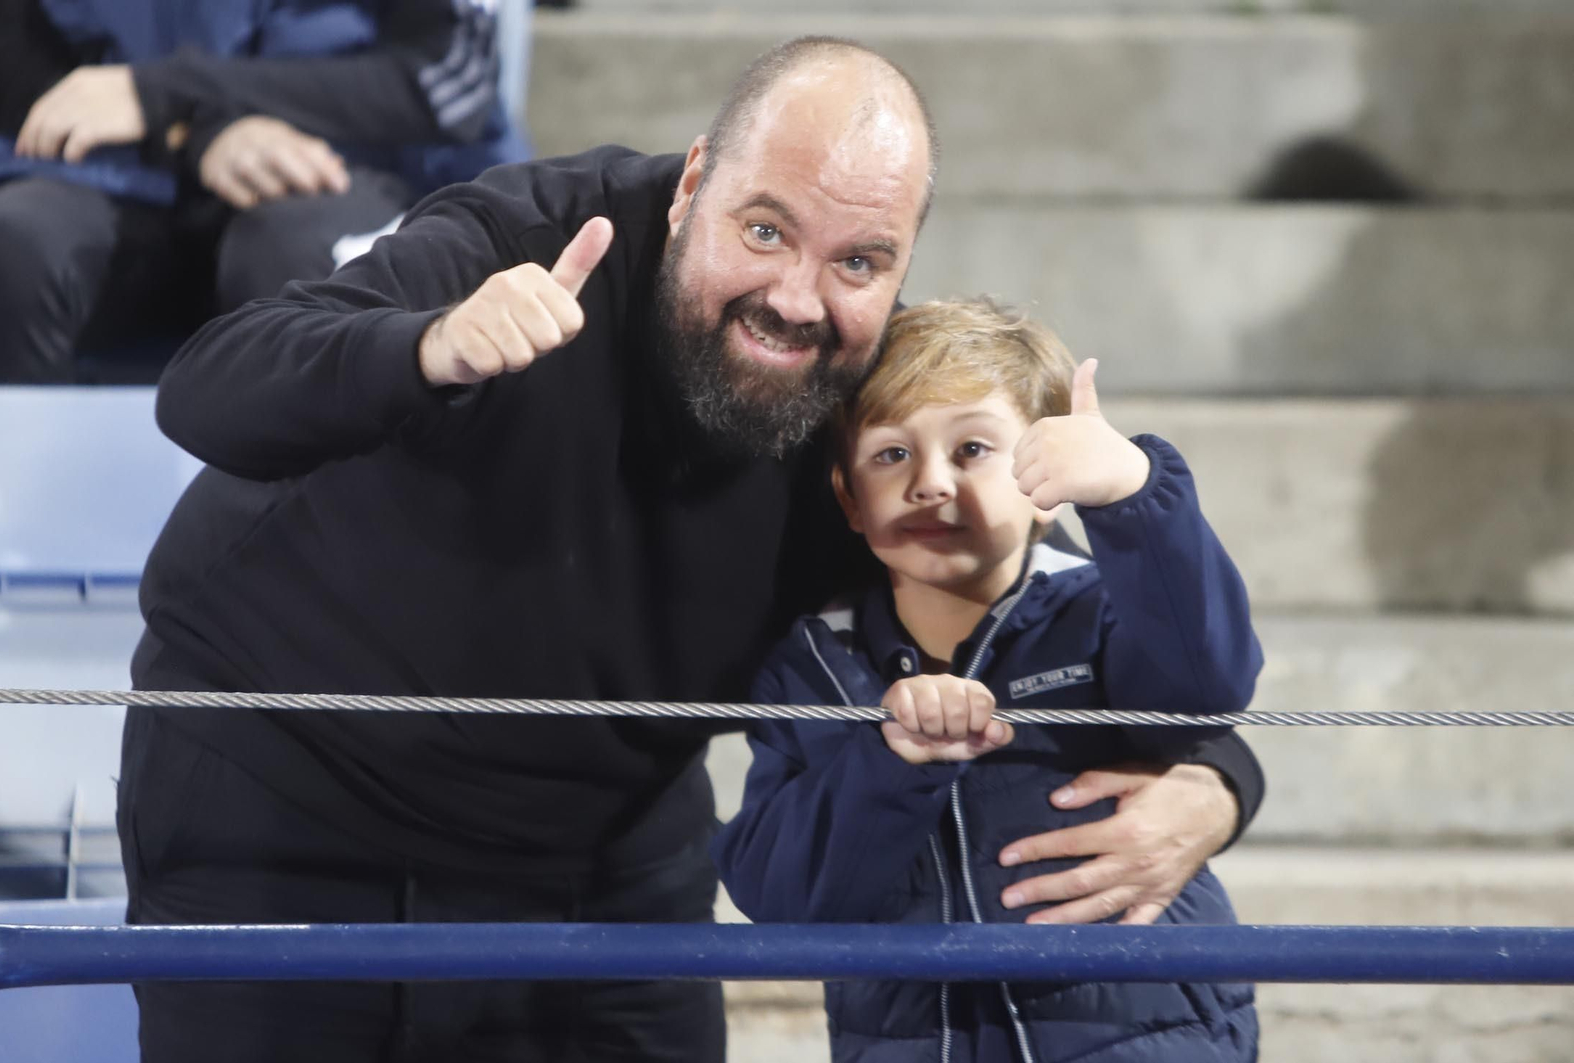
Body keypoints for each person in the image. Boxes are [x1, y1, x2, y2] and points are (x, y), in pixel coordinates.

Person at [119, 36, 1264, 1063]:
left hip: (602, 849)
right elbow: (211, 392)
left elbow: (1044, 610)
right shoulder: (528, 242)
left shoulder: (866, 415)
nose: (796, 297)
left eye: (859, 261)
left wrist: (1216, 776)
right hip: (288, 809)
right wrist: (430, 348)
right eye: (764, 229)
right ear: (691, 186)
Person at [713, 298, 1261, 1062]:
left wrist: (1137, 498)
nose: (932, 482)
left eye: (972, 447)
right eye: (891, 454)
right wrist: (892, 760)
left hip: (1139, 1039)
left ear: (1045, 477)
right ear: (847, 498)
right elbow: (781, 893)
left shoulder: (1103, 609)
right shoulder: (809, 665)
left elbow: (1205, 682)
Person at [0, 0, 525, 383]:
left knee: (290, 271)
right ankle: (18, 535)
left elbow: (448, 82)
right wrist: (191, 132)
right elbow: (11, 70)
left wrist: (176, 94)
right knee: (8, 248)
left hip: (345, 163)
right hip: (130, 164)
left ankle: (314, 541)